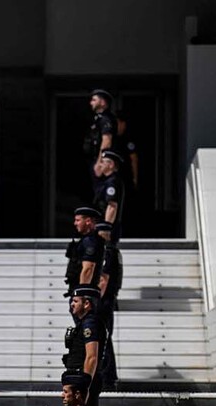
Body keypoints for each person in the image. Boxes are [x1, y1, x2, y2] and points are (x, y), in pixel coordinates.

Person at [97, 222, 122, 390]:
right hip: (109, 299)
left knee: (103, 338)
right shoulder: (114, 250)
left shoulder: (107, 250)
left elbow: (103, 279)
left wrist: (93, 300)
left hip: (104, 301)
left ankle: (108, 377)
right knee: (104, 338)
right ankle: (108, 376)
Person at [64, 207, 104, 294]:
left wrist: (82, 293)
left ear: (88, 221)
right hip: (80, 288)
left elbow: (88, 268)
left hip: (83, 291)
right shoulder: (87, 240)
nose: (75, 223)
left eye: (78, 220)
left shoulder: (90, 241)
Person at [93, 150, 127, 242]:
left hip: (108, 227)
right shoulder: (107, 181)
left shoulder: (112, 182)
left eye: (103, 162)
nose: (100, 165)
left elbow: (112, 206)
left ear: (111, 165)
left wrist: (106, 227)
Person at [84, 89, 117, 176]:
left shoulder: (106, 119)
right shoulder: (98, 119)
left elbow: (107, 141)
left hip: (102, 164)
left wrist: (99, 163)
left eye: (94, 100)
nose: (91, 103)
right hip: (94, 159)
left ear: (102, 102)